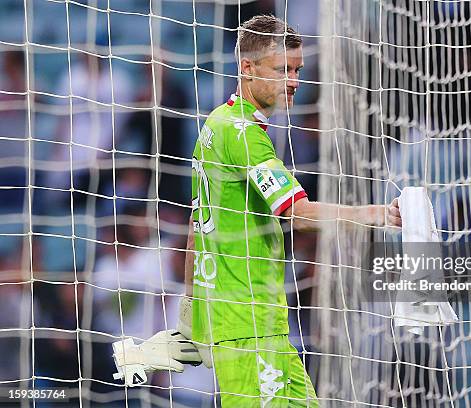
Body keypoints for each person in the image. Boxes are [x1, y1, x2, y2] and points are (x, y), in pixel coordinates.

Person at [110, 14, 401, 407]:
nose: (294, 81)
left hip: (256, 324)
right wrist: (379, 214)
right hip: (246, 327)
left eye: (297, 69)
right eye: (282, 70)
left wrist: (192, 308)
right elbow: (297, 212)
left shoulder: (216, 124)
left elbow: (199, 225)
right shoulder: (244, 137)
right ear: (247, 68)